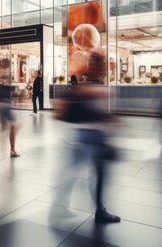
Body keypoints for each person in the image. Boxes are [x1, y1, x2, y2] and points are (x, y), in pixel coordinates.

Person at [54, 52, 121, 223]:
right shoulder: (89, 85)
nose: (103, 67)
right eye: (101, 64)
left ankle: (64, 206)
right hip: (90, 136)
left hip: (87, 135)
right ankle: (97, 210)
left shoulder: (91, 84)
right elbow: (93, 102)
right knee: (90, 173)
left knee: (83, 172)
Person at [0, 59, 20, 157]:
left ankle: (6, 145)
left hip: (3, 104)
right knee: (14, 125)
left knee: (5, 127)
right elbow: (2, 87)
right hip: (5, 104)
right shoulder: (1, 76)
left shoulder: (0, 76)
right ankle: (11, 149)